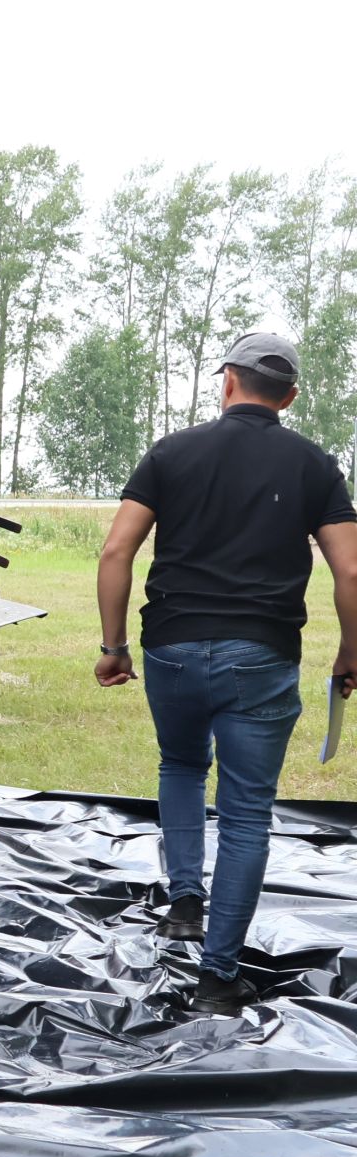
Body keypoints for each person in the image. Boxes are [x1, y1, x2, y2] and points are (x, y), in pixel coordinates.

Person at [96, 332, 357, 1015]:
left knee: (180, 765)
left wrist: (114, 645)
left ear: (227, 382)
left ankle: (184, 906)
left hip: (172, 650)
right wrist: (351, 652)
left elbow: (117, 551)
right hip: (261, 656)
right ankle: (217, 978)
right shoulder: (313, 465)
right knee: (246, 816)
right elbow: (351, 569)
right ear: (290, 396)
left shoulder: (172, 452)